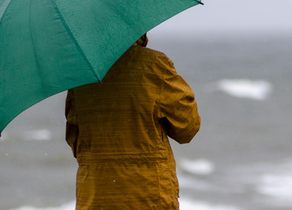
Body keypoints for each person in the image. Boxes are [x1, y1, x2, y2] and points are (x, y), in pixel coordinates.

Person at [65, 34, 200, 209]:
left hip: (94, 194)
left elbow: (74, 139)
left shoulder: (83, 72)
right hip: (149, 194)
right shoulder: (154, 65)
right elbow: (187, 128)